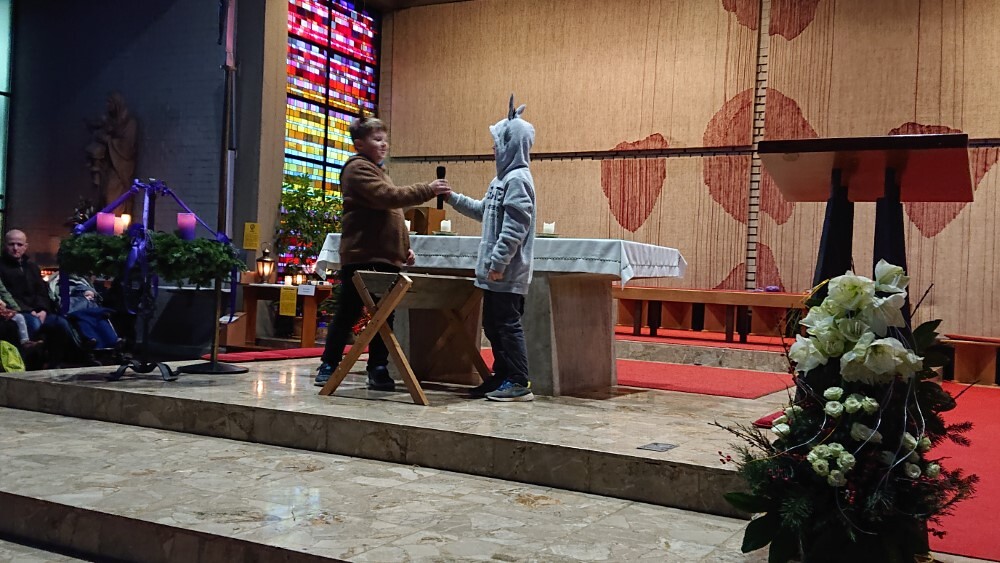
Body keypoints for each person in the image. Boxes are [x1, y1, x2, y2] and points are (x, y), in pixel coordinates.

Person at [315, 116, 451, 389]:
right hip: (363, 256)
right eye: (377, 139)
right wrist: (427, 190)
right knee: (349, 312)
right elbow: (388, 198)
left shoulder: (379, 171)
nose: (384, 144)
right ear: (359, 144)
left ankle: (378, 367)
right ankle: (329, 364)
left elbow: (392, 216)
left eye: (385, 139)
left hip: (385, 258)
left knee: (385, 316)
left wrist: (402, 249)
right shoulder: (357, 169)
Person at [446, 96, 537, 402]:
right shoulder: (499, 180)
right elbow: (483, 211)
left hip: (507, 272)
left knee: (508, 325)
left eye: (497, 143)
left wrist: (498, 263)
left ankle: (519, 381)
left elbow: (515, 228)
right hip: (495, 273)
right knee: (492, 325)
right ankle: (502, 374)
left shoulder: (518, 180)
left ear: (511, 145)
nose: (493, 148)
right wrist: (453, 198)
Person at [0, 229, 76, 366]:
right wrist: (30, 311)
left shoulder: (32, 266)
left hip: (37, 310)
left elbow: (42, 291)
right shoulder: (1, 266)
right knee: (34, 324)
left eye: (19, 244)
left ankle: (55, 364)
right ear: (5, 245)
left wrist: (42, 310)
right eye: (12, 244)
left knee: (61, 323)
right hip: (17, 311)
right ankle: (32, 364)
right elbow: (6, 295)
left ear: (25, 246)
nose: (15, 248)